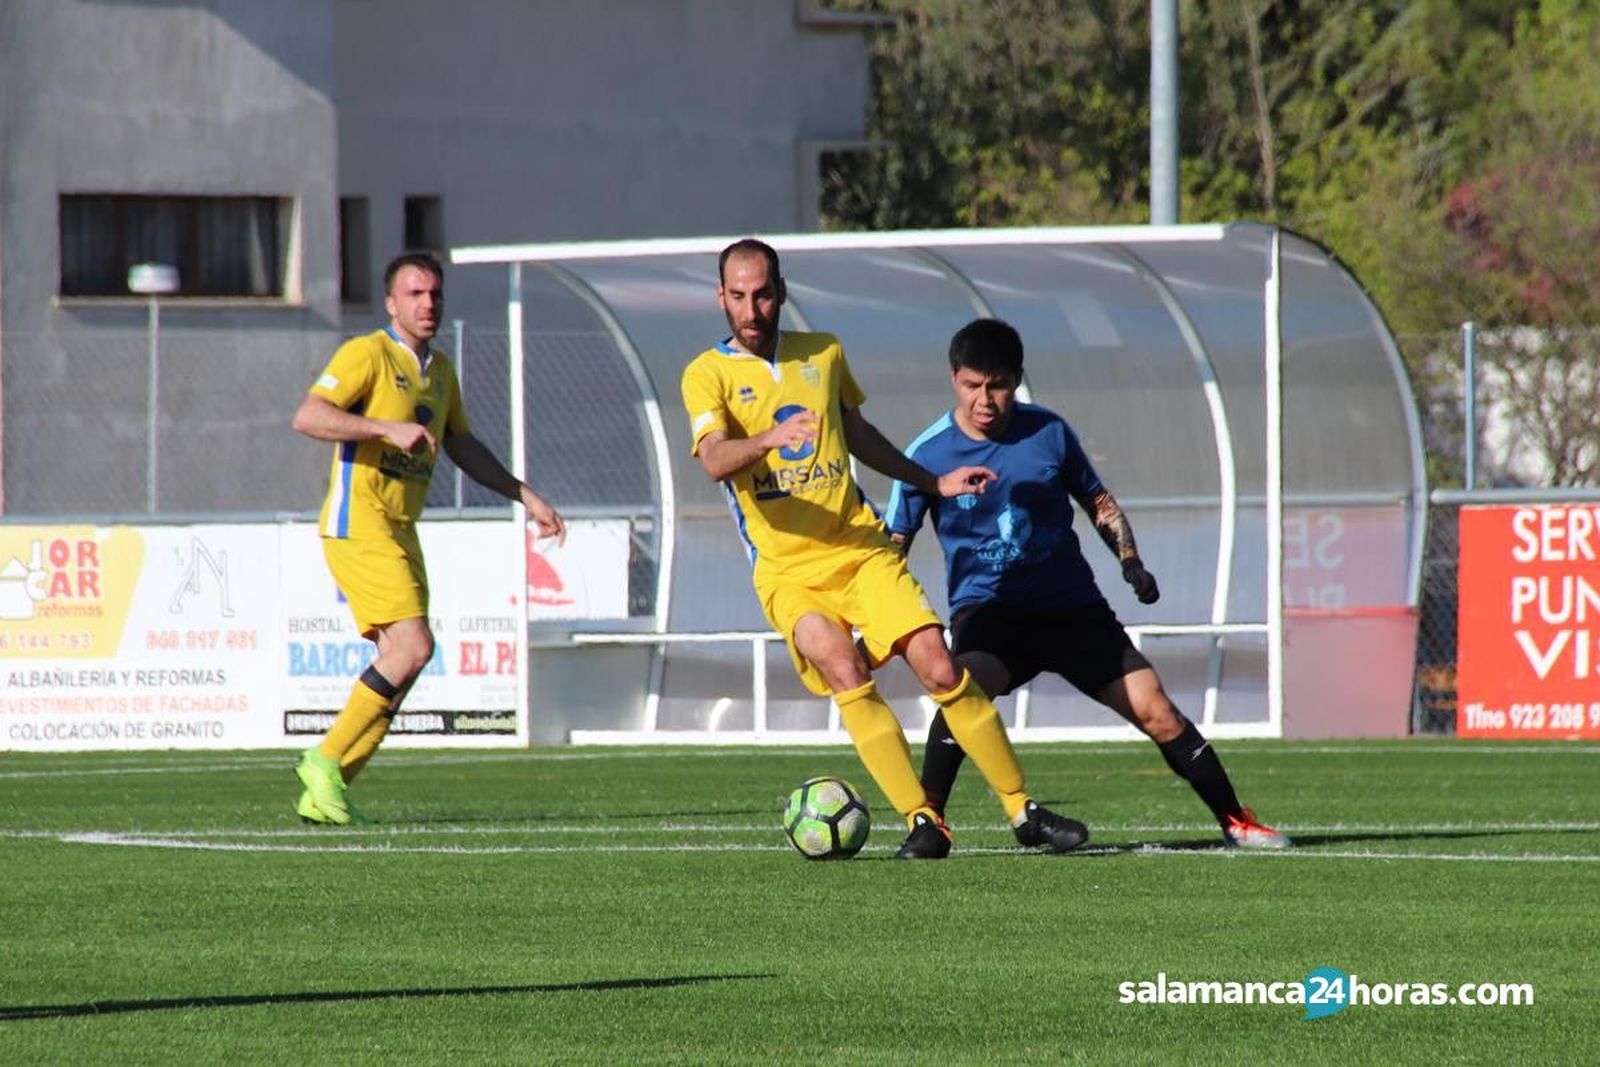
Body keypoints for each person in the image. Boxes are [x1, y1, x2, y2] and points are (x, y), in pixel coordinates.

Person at [681, 239, 1088, 859]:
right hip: (788, 572)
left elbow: (860, 434)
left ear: (782, 291)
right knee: (843, 667)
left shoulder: (824, 353)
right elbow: (713, 460)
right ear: (721, 298)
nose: (752, 308)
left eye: (762, 293)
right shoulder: (705, 374)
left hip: (862, 549)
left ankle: (1020, 810)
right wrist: (769, 437)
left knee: (940, 666)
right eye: (738, 296)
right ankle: (924, 821)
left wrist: (934, 481)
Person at [885, 318, 1288, 849]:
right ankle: (928, 820)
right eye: (972, 385)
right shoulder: (926, 454)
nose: (986, 399)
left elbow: (1097, 502)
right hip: (992, 613)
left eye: (998, 385)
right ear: (953, 378)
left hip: (1074, 611)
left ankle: (1237, 821)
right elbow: (893, 543)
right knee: (965, 689)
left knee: (1157, 710)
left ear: (1017, 378)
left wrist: (1131, 562)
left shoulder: (1048, 432)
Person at [290, 251, 565, 825]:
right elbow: (310, 416)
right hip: (357, 521)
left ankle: (329, 785)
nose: (428, 303)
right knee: (412, 648)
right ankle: (324, 759)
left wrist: (524, 494)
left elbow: (462, 445)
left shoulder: (440, 372)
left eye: (435, 293)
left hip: (400, 527)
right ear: (392, 303)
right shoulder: (367, 354)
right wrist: (383, 428)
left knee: (407, 658)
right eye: (415, 294)